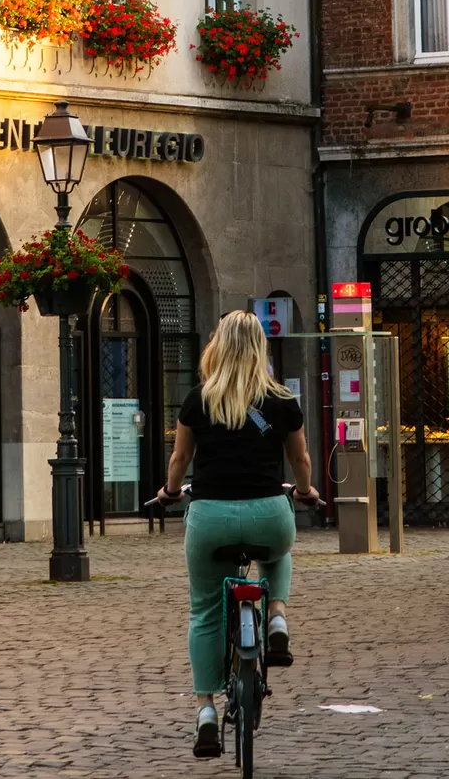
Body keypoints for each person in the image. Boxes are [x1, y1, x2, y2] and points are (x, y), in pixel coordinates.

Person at [156, 310, 319, 759]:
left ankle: (206, 710)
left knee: (205, 610)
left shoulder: (198, 399)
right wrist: (304, 492)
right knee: (279, 549)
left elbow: (179, 462)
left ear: (218, 345)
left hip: (209, 517)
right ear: (260, 349)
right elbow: (301, 462)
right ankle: (279, 618)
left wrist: (170, 493)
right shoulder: (283, 400)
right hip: (269, 512)